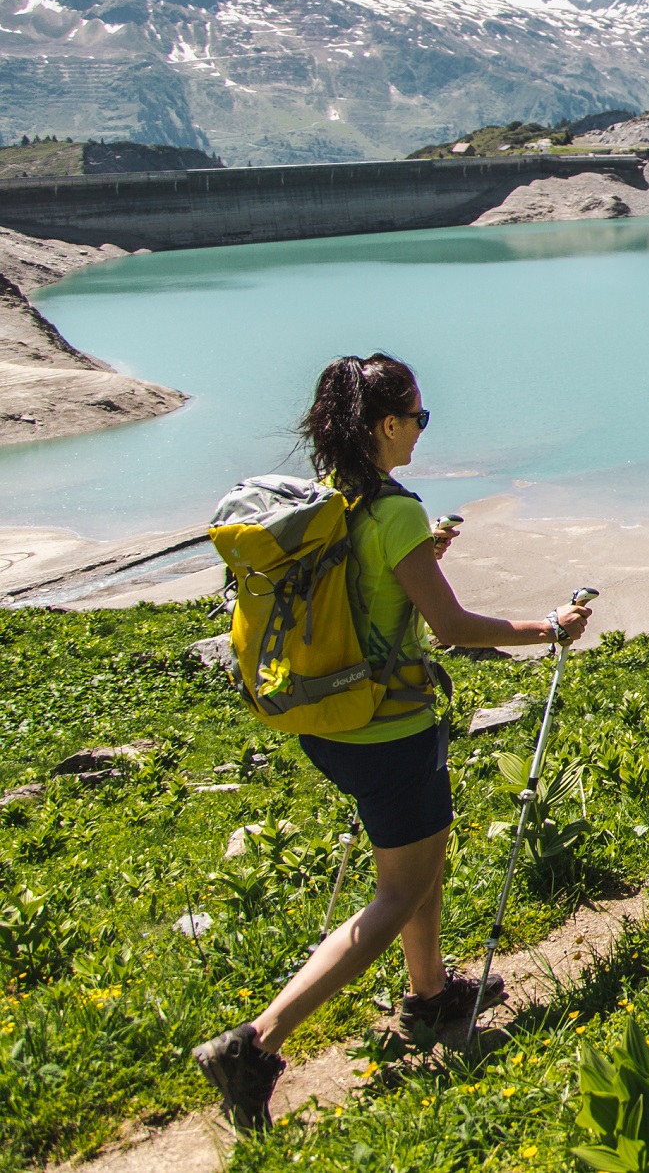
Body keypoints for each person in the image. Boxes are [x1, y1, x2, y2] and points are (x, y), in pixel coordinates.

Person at [193, 353, 593, 1131]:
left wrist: (417, 566)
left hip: (325, 724)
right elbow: (452, 629)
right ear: (385, 425)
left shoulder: (329, 503)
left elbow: (363, 589)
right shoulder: (397, 512)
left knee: (416, 862)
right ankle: (255, 1043)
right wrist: (548, 629)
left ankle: (431, 997)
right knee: (401, 889)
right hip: (391, 730)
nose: (421, 428)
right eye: (417, 417)